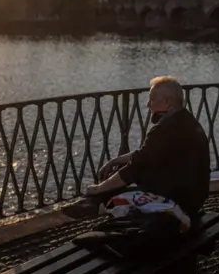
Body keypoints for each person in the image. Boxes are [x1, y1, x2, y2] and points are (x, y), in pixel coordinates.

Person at [85, 75, 211, 221]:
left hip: (177, 201)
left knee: (112, 194)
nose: (148, 104)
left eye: (152, 99)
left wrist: (98, 188)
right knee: (124, 185)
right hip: (195, 198)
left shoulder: (163, 130)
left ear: (167, 103)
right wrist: (116, 161)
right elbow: (146, 153)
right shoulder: (188, 121)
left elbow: (134, 168)